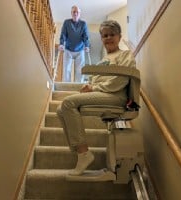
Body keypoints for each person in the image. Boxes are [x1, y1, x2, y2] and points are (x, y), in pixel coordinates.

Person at [57, 20, 136, 176]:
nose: (108, 38)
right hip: (102, 94)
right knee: (61, 109)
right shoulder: (102, 61)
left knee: (68, 102)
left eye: (112, 34)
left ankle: (84, 154)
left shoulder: (125, 55)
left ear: (119, 37)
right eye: (105, 35)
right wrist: (88, 87)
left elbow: (120, 80)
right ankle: (80, 152)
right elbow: (93, 81)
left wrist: (94, 87)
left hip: (116, 96)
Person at [59, 5, 90, 82]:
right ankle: (66, 86)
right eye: (74, 12)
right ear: (71, 13)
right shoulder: (67, 22)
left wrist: (87, 45)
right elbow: (63, 34)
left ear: (80, 14)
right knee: (66, 69)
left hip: (80, 50)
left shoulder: (83, 24)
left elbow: (85, 36)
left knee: (79, 70)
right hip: (68, 49)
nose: (75, 13)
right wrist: (61, 44)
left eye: (77, 12)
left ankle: (78, 86)